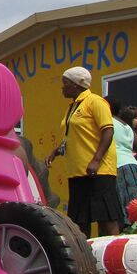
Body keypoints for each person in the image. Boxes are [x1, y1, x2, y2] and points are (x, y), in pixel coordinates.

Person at [45, 66, 120, 238]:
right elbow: (71, 136)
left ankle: (114, 253)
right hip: (77, 172)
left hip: (98, 170)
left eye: (65, 84)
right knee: (79, 220)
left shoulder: (96, 102)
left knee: (106, 216)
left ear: (77, 85)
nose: (62, 88)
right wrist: (55, 152)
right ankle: (85, 257)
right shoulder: (72, 107)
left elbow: (108, 131)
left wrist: (96, 160)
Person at [105, 97, 137, 229]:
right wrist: (131, 159)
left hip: (117, 167)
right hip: (134, 167)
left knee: (122, 211)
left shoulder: (106, 122)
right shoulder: (126, 126)